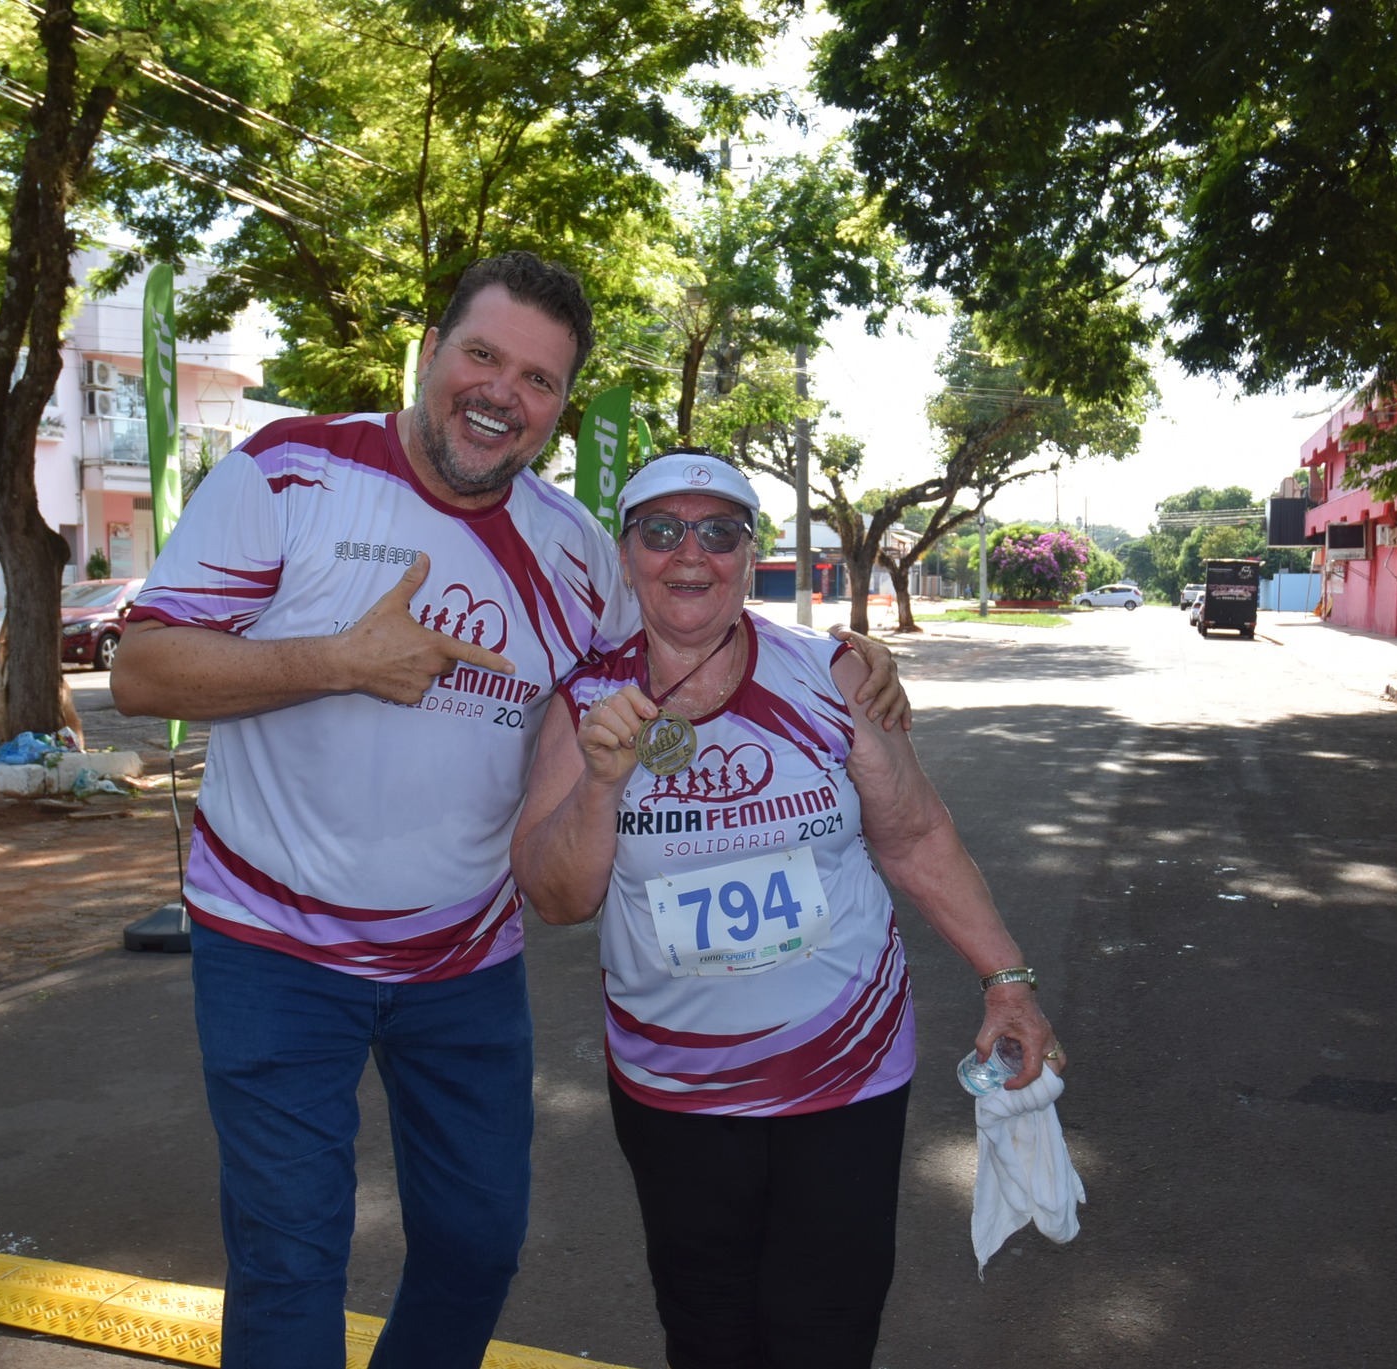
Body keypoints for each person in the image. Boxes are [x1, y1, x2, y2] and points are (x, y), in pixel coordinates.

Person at [109, 252, 906, 1368]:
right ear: (431, 352)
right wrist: (335, 659)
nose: (501, 393)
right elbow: (140, 673)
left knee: (477, 1245)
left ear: (558, 408)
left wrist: (847, 664)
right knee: (291, 1255)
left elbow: (700, 609)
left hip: (463, 960)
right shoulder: (289, 470)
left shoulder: (574, 549)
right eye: (481, 355)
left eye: (536, 379)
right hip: (272, 945)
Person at [510, 450, 1062, 1369]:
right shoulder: (589, 700)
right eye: (662, 530)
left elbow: (917, 837)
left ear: (749, 553)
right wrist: (602, 788)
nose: (692, 554)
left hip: (845, 1074)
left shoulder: (835, 677)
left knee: (827, 1328)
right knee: (707, 1330)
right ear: (627, 552)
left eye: (720, 531)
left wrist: (1008, 982)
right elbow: (557, 896)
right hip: (676, 1088)